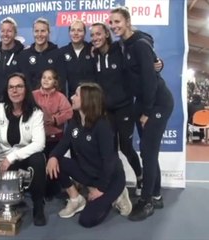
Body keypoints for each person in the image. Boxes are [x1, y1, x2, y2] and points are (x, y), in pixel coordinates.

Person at [110, 7, 174, 221]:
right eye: (112, 23)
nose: (114, 26)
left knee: (148, 152)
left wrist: (146, 111)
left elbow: (149, 80)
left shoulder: (139, 44)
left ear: (127, 21)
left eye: (117, 21)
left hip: (158, 103)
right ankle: (155, 195)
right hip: (144, 103)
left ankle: (147, 201)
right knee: (148, 151)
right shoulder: (124, 44)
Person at [46, 83, 132, 228]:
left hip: (109, 178)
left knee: (87, 220)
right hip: (88, 173)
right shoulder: (75, 121)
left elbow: (109, 162)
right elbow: (63, 144)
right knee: (57, 162)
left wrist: (100, 190)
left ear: (87, 100)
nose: (72, 97)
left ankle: (119, 193)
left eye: (76, 95)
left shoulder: (103, 126)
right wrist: (53, 156)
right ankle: (76, 199)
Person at [0, 72, 47, 226]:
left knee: (38, 158)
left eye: (19, 87)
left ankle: (38, 206)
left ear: (26, 90)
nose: (15, 91)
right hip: (1, 161)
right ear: (7, 91)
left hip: (21, 159)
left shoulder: (36, 113)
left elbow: (39, 143)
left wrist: (12, 157)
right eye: (11, 87)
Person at [90, 22, 143, 196]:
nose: (95, 38)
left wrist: (158, 62)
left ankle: (140, 176)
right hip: (106, 111)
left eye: (98, 34)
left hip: (125, 108)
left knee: (126, 147)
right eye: (92, 35)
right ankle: (114, 184)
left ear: (106, 34)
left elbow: (139, 51)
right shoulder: (94, 55)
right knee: (109, 149)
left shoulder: (120, 49)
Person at [32, 68, 73, 200]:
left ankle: (52, 189)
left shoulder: (60, 97)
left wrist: (55, 119)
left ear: (55, 82)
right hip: (36, 137)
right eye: (44, 77)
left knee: (53, 162)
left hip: (55, 137)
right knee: (38, 164)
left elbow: (69, 112)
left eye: (49, 78)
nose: (46, 80)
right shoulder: (33, 95)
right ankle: (38, 188)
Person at [0, 17, 24, 112]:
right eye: (2, 31)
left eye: (9, 31)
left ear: (15, 33)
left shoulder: (22, 53)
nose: (5, 34)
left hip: (14, 103)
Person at [18, 17, 61, 90]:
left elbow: (61, 82)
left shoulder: (57, 54)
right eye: (36, 31)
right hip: (29, 100)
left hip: (51, 99)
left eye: (43, 31)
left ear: (48, 33)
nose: (39, 34)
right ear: (33, 32)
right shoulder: (24, 56)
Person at [58, 20, 95, 97]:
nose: (75, 33)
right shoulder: (62, 52)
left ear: (85, 33)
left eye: (79, 30)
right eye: (73, 30)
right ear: (69, 33)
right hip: (72, 99)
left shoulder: (92, 49)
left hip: (92, 98)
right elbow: (61, 81)